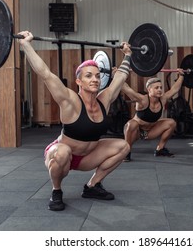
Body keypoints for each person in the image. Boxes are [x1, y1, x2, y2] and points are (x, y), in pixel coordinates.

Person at [17, 30, 132, 211]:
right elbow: (45, 74)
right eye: (88, 76)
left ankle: (92, 186)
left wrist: (127, 55)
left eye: (97, 75)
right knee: (62, 153)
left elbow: (120, 77)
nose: (94, 79)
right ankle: (56, 191)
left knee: (124, 146)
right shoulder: (70, 100)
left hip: (87, 157)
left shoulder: (104, 100)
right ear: (79, 82)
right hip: (62, 154)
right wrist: (26, 45)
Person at [121, 69, 185, 161]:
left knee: (171, 123)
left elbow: (174, 89)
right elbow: (126, 89)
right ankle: (126, 151)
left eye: (160, 87)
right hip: (136, 132)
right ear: (149, 89)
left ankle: (160, 149)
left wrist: (181, 76)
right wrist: (117, 75)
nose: (160, 90)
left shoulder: (162, 99)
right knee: (132, 123)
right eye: (156, 88)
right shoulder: (142, 100)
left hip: (150, 132)